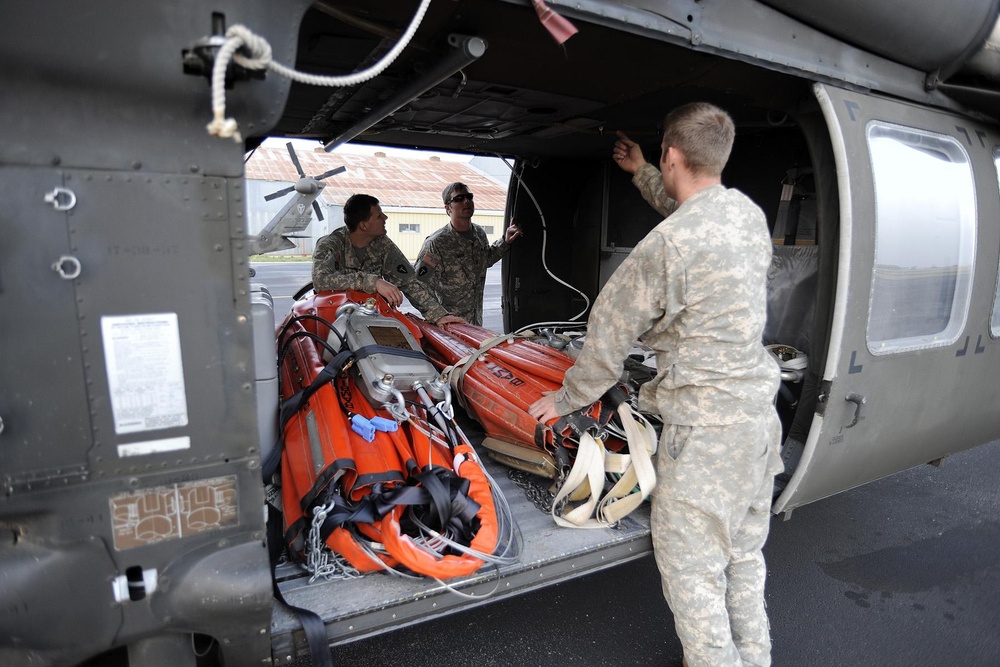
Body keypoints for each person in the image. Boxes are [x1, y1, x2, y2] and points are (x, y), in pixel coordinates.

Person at [528, 103, 783, 667]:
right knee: (743, 556)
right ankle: (757, 657)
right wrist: (642, 171)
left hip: (706, 437)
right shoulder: (746, 215)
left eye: (661, 162)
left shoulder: (664, 247)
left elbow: (607, 338)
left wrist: (567, 397)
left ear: (672, 155)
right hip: (758, 426)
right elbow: (690, 210)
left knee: (692, 572)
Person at [312, 193, 464, 325]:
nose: (385, 217)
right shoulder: (331, 244)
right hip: (335, 320)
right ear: (364, 225)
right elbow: (321, 280)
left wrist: (438, 315)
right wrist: (374, 282)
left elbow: (409, 282)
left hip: (371, 318)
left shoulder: (382, 244)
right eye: (379, 216)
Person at [413, 182, 522, 326]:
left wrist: (505, 241)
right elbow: (419, 283)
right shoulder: (437, 243)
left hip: (475, 323)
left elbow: (486, 259)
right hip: (450, 326)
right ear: (448, 208)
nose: (466, 201)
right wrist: (438, 315)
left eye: (469, 197)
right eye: (458, 199)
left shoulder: (479, 234)